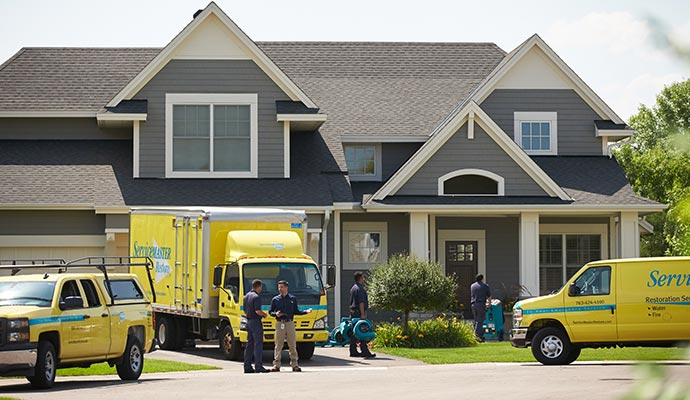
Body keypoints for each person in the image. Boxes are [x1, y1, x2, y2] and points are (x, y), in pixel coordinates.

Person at [269, 280, 312, 372]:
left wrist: (305, 312)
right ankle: (276, 365)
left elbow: (296, 311)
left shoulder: (292, 299)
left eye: (282, 287)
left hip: (290, 323)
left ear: (286, 288)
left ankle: (294, 364)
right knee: (278, 344)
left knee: (292, 344)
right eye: (279, 287)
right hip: (280, 323)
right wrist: (275, 314)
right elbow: (270, 312)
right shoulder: (275, 299)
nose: (280, 289)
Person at [243, 279, 270, 373]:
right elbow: (257, 311)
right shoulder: (256, 297)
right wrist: (264, 314)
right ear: (259, 286)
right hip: (255, 322)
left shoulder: (246, 296)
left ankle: (247, 366)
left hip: (248, 321)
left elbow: (245, 310)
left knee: (249, 344)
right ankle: (258, 366)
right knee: (258, 344)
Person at [348, 271, 376, 358]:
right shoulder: (360, 289)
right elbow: (361, 302)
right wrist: (362, 314)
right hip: (358, 313)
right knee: (362, 331)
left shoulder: (353, 288)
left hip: (353, 312)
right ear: (360, 278)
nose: (364, 279)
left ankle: (353, 350)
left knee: (354, 332)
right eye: (363, 277)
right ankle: (364, 351)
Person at [470, 274, 492, 342]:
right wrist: (489, 304)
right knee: (480, 320)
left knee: (476, 320)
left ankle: (481, 336)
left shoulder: (472, 286)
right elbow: (489, 295)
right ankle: (476, 335)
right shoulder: (485, 286)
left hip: (473, 304)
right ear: (482, 279)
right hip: (481, 304)